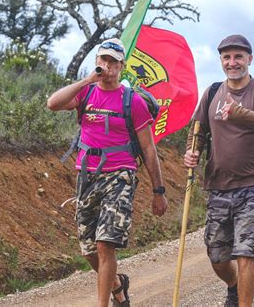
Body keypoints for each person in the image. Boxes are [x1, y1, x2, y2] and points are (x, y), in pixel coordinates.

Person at [47, 38, 168, 307]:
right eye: (103, 60)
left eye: (113, 61)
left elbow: (149, 149)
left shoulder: (132, 101)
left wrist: (158, 190)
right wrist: (86, 80)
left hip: (120, 175)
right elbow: (53, 104)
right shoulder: (86, 93)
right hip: (87, 176)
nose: (108, 65)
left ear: (122, 66)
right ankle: (117, 286)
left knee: (105, 244)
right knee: (88, 249)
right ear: (97, 62)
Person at [184, 34, 254, 307]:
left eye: (238, 56)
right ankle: (233, 285)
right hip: (218, 185)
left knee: (247, 252)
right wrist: (192, 151)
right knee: (217, 256)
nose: (232, 62)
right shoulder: (213, 92)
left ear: (249, 59)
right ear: (221, 61)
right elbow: (197, 130)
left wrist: (240, 113)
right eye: (227, 57)